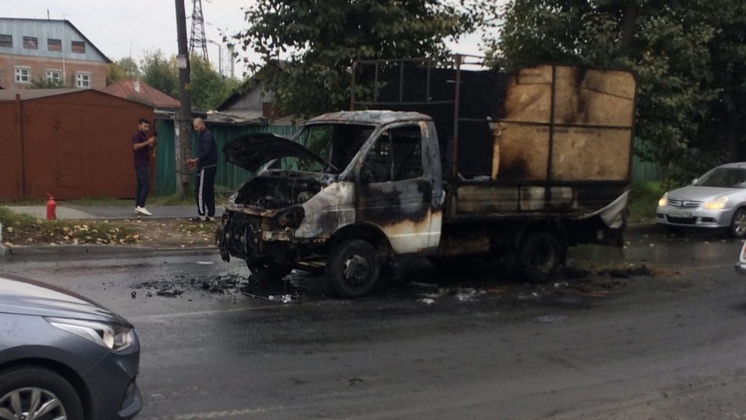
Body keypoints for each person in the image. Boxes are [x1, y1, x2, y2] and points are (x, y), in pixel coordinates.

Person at [186, 117, 217, 222]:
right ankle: (211, 214)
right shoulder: (206, 134)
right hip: (210, 166)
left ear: (201, 124)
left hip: (206, 167)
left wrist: (196, 160)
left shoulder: (206, 136)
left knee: (200, 191)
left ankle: (201, 214)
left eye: (196, 126)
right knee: (209, 191)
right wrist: (197, 162)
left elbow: (206, 152)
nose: (195, 129)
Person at [132, 117, 156, 216]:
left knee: (140, 185)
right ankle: (141, 205)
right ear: (140, 125)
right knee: (146, 184)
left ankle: (137, 206)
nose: (146, 128)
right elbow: (136, 146)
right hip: (140, 163)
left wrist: (151, 143)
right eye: (145, 126)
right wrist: (147, 142)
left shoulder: (144, 135)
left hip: (144, 162)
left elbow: (147, 146)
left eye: (148, 127)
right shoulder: (136, 135)